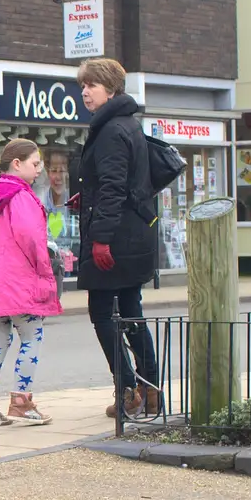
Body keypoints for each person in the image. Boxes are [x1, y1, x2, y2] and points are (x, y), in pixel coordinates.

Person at [73, 58, 160, 419]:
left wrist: (101, 239)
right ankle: (150, 389)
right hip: (136, 235)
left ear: (110, 88)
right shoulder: (129, 125)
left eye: (91, 85)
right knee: (131, 310)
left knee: (103, 314)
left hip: (116, 239)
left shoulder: (109, 130)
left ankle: (128, 391)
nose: (84, 92)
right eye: (83, 86)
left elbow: (112, 188)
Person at [0, 138, 62, 427]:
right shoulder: (20, 196)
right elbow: (32, 239)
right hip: (18, 281)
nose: (39, 170)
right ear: (17, 164)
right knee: (32, 337)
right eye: (35, 164)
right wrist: (45, 275)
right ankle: (22, 401)